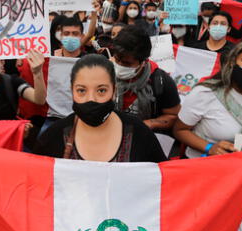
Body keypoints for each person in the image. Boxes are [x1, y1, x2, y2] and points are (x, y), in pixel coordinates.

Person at [34, 54, 167, 162]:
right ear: (72, 91)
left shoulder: (139, 133)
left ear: (114, 91)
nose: (91, 99)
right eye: (81, 91)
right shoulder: (54, 136)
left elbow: (163, 180)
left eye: (101, 91)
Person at [112, 25, 180, 132]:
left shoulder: (162, 82)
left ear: (143, 61)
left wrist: (150, 124)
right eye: (117, 60)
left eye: (127, 63)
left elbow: (172, 116)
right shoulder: (105, 73)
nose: (120, 66)